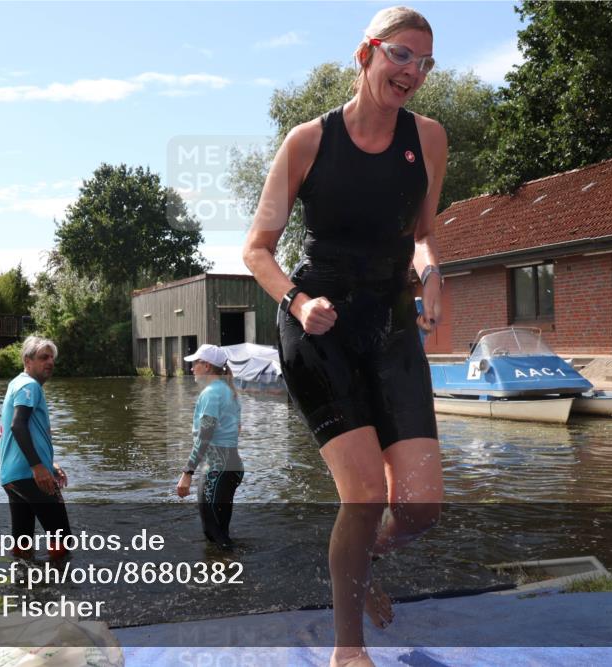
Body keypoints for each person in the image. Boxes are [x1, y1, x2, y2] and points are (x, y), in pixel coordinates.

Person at [242, 6, 445, 666]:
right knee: (363, 493)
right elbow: (256, 250)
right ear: (366, 54)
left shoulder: (430, 139)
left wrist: (431, 270)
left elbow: (419, 235)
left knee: (418, 508)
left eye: (424, 62)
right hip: (319, 324)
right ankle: (347, 647)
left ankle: (365, 556)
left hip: (388, 324)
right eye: (401, 55)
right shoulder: (308, 141)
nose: (412, 72)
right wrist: (298, 303)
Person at [0, 335, 71, 561]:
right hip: (30, 475)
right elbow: (18, 426)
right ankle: (62, 589)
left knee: (22, 544)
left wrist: (49, 464)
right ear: (27, 361)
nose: (49, 362)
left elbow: (24, 429)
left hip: (12, 477)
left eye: (51, 358)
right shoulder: (29, 386)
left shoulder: (16, 383)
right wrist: (38, 467)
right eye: (43, 357)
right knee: (62, 540)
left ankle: (23, 589)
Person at [175, 344, 244, 549]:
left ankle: (230, 574)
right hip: (232, 465)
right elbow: (237, 429)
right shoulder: (229, 391)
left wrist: (187, 472)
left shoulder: (211, 394)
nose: (191, 368)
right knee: (221, 531)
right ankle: (228, 574)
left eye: (195, 363)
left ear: (206, 366)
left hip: (216, 469)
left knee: (213, 533)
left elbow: (205, 437)